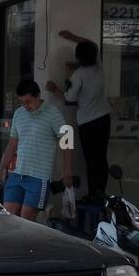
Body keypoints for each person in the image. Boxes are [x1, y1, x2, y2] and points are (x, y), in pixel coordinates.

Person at [0, 80, 72, 221]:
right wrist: (1, 166)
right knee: (8, 218)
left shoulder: (53, 114)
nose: (25, 106)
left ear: (38, 96)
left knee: (26, 221)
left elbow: (67, 143)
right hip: (17, 174)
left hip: (38, 177)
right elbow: (12, 144)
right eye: (22, 102)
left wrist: (67, 171)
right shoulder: (19, 114)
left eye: (28, 101)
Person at [47, 31, 112, 197]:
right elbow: (93, 44)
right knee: (101, 158)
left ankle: (93, 194)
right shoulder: (99, 67)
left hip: (88, 122)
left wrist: (55, 89)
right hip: (104, 118)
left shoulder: (78, 75)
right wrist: (72, 37)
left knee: (91, 160)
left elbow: (69, 98)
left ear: (78, 58)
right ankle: (100, 192)